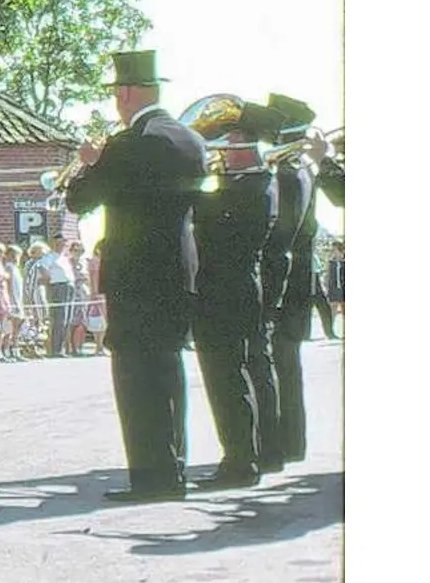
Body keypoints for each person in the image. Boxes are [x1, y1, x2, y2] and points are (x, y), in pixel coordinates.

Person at [65, 50, 207, 503]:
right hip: (179, 270)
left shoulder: (127, 145)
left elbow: (78, 201)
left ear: (125, 94)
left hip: (134, 275)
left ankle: (151, 477)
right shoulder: (190, 140)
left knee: (135, 378)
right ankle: (174, 467)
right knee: (169, 370)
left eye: (115, 94)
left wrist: (90, 161)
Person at [190, 102, 286, 489]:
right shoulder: (247, 184)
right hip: (235, 289)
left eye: (230, 138)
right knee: (240, 373)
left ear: (247, 145)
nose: (223, 145)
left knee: (225, 377)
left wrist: (190, 177)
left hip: (226, 291)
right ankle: (256, 453)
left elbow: (208, 218)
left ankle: (239, 461)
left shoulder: (254, 186)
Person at [262, 93, 324, 465]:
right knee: (287, 363)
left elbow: (280, 234)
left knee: (280, 361)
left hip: (287, 283)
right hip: (298, 281)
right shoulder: (302, 170)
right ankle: (292, 442)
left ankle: (285, 443)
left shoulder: (289, 174)